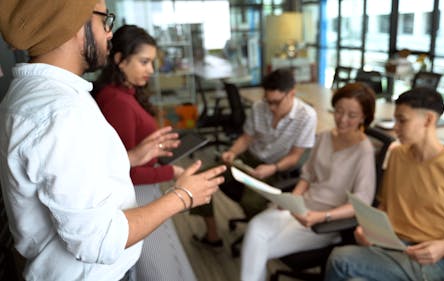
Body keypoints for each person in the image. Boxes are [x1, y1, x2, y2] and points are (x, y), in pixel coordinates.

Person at [0, 1, 225, 280]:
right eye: (105, 20)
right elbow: (98, 240)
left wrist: (130, 157)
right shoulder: (60, 113)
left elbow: (69, 173)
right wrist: (184, 195)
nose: (109, 33)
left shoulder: (46, 95)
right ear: (72, 25)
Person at [325, 87, 444, 281]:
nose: (395, 127)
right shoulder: (397, 155)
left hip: (436, 259)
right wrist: (370, 229)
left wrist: (443, 247)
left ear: (428, 120)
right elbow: (386, 204)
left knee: (340, 259)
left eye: (402, 120)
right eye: (395, 120)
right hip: (393, 247)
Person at [239, 82, 377, 281]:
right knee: (255, 228)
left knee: (258, 249)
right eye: (338, 111)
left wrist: (321, 217)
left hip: (324, 221)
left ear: (364, 117)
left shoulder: (364, 151)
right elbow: (308, 175)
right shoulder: (323, 137)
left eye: (352, 115)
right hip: (300, 208)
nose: (342, 119)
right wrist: (291, 200)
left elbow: (361, 204)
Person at [93, 25, 196, 281]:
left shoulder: (125, 94)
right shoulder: (116, 101)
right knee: (162, 271)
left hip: (145, 193)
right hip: (136, 197)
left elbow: (134, 152)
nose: (151, 69)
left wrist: (157, 151)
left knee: (170, 261)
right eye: (144, 62)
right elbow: (127, 170)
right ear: (119, 60)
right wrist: (173, 170)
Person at [191, 68, 317, 247]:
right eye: (268, 101)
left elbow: (296, 156)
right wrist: (232, 152)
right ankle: (212, 236)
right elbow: (246, 138)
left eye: (276, 102)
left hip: (275, 166)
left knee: (251, 202)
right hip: (248, 159)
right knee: (199, 180)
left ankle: (259, 239)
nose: (271, 107)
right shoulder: (259, 107)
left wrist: (273, 168)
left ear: (291, 94)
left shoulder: (307, 116)